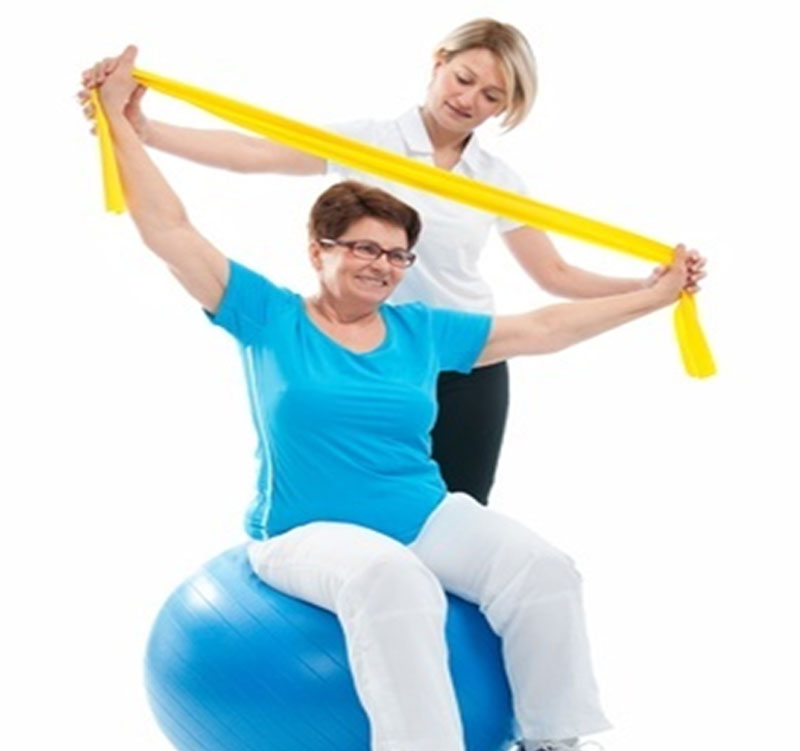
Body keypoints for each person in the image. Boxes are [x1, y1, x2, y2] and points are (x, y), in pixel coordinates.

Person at [85, 46, 704, 751]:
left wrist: (653, 296)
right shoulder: (266, 315)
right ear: (319, 249)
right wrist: (122, 126)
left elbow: (542, 328)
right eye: (363, 249)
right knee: (392, 580)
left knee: (543, 567)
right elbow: (170, 230)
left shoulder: (420, 331)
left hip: (419, 511)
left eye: (396, 255)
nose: (380, 266)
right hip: (303, 530)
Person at [78, 19, 706, 514]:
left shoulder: (497, 180)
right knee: (367, 508)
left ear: (504, 108)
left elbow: (555, 276)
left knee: (460, 512)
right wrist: (144, 131)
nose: (469, 100)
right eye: (463, 79)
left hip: (467, 358)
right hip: (375, 354)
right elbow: (254, 152)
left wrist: (648, 286)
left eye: (491, 96)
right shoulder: (368, 143)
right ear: (438, 63)